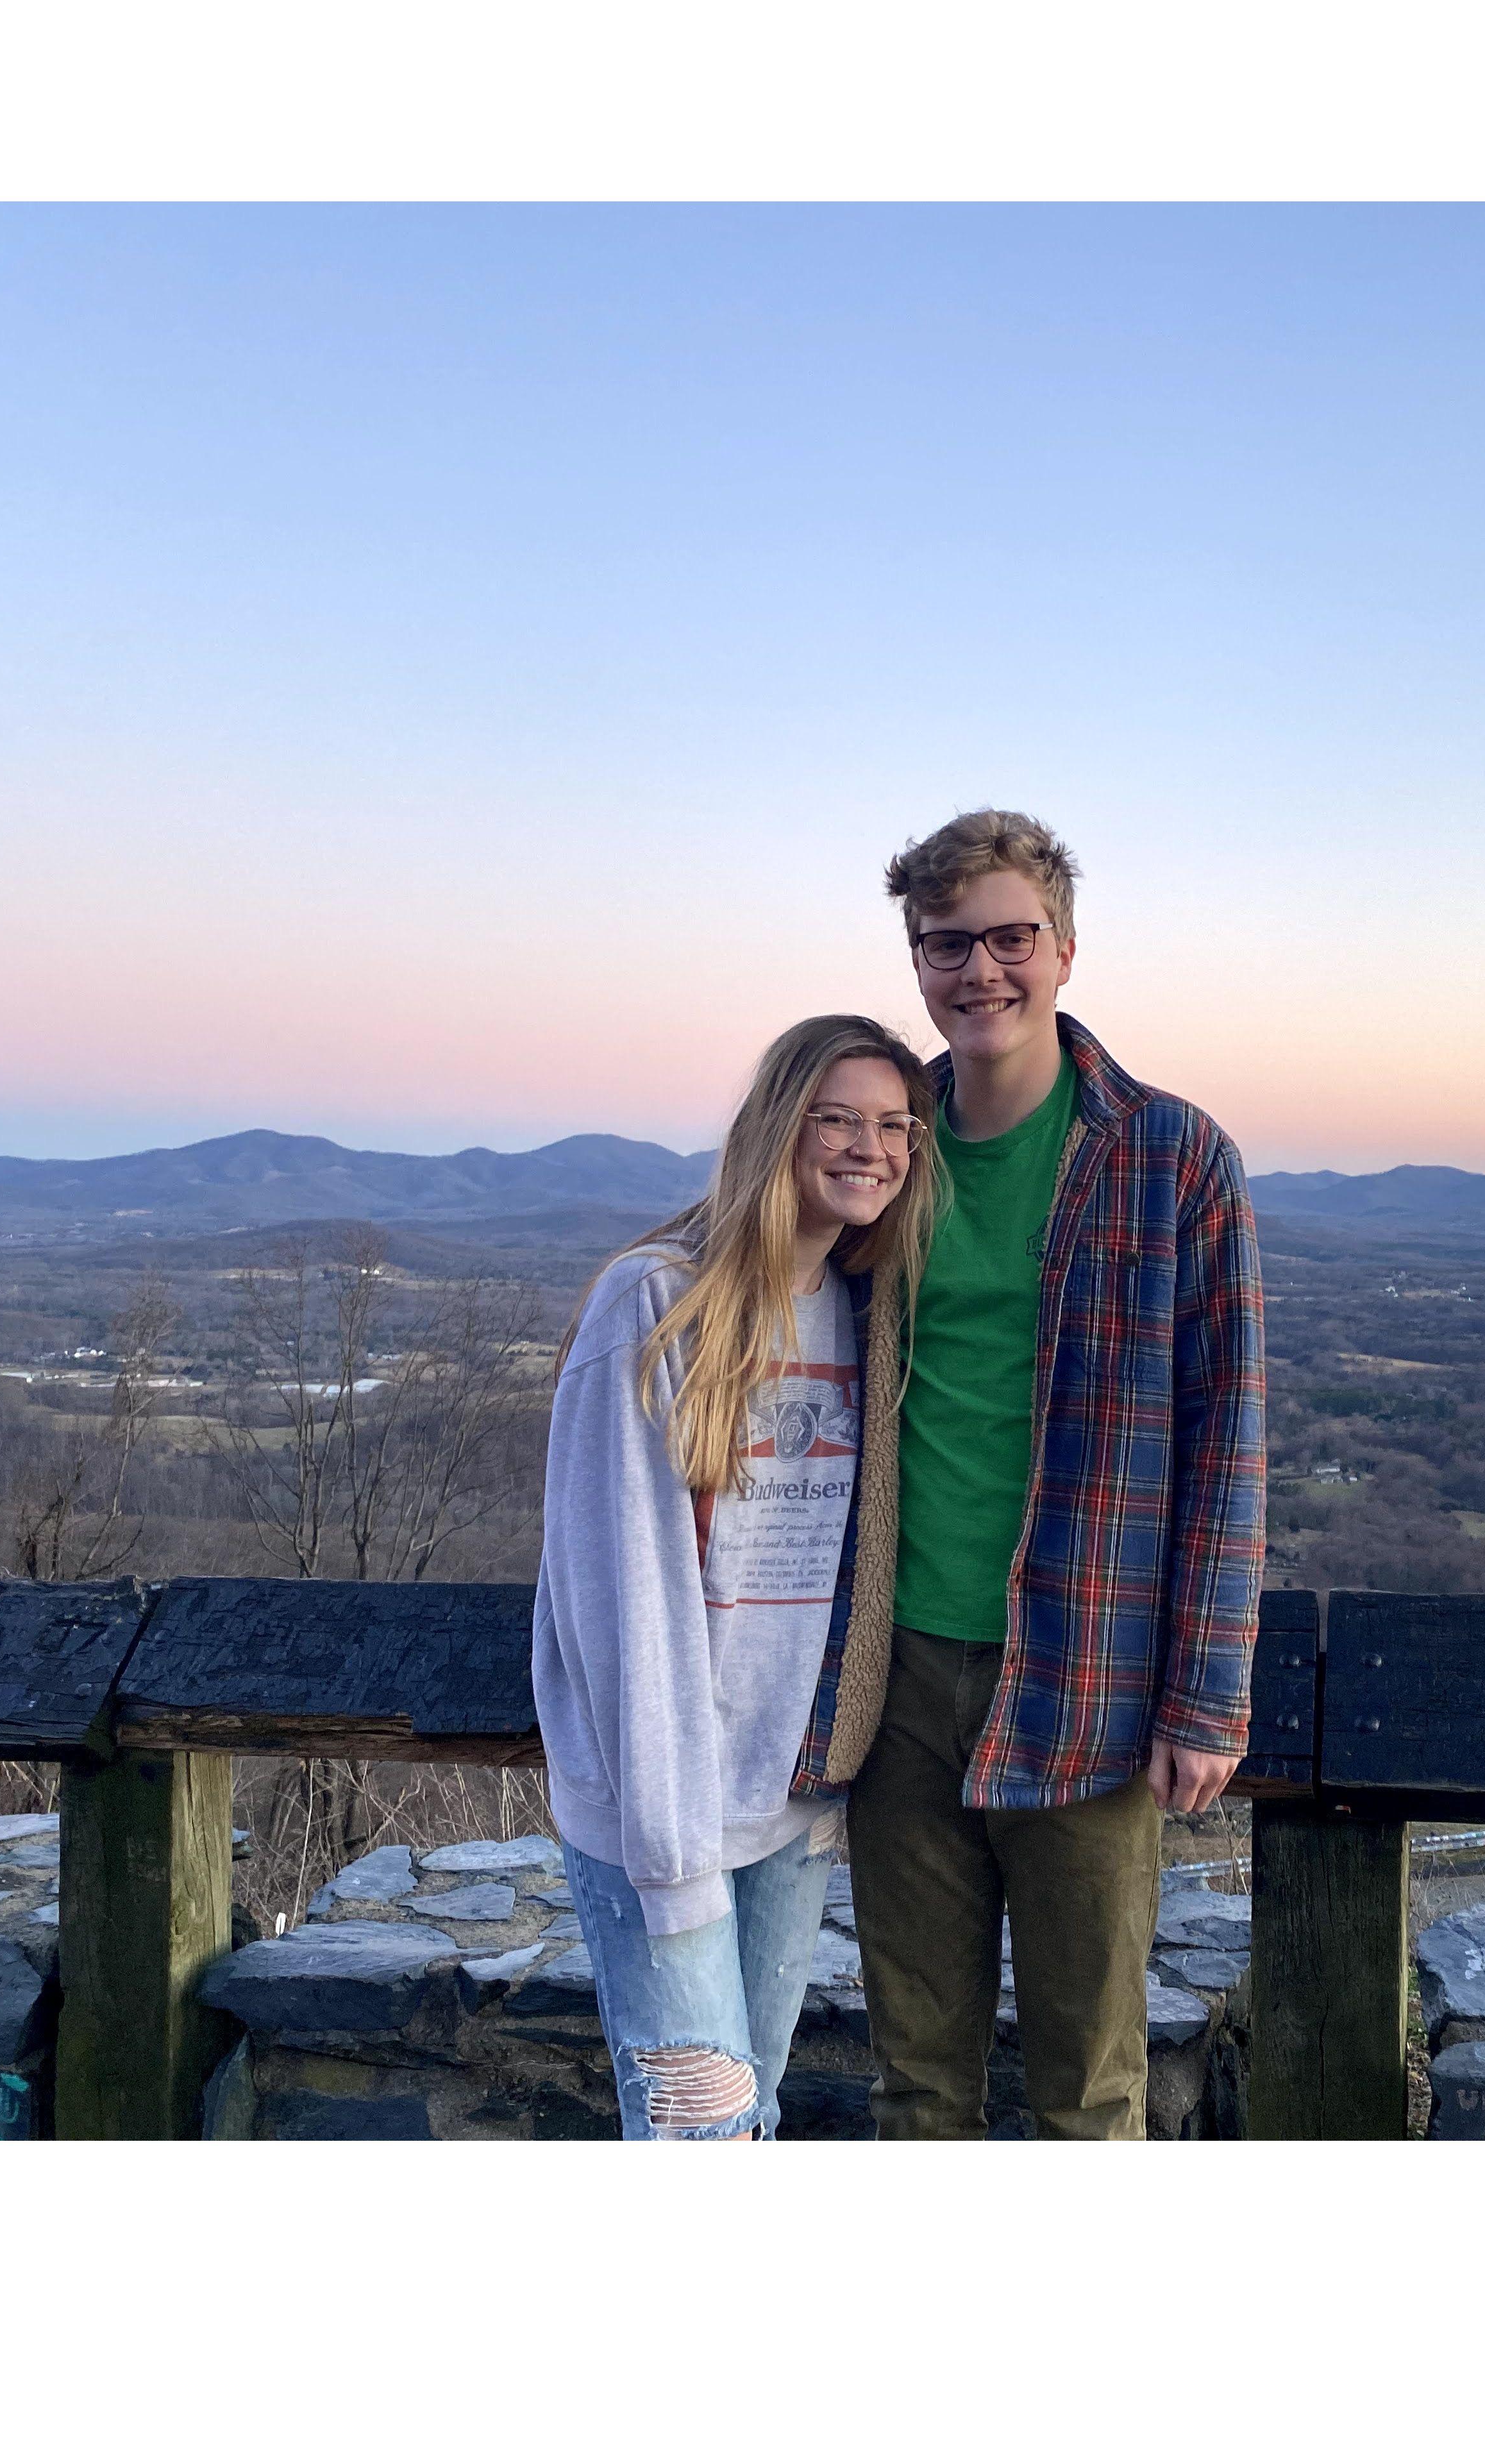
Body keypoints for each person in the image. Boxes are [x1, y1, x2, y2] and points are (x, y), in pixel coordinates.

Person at [843, 809, 1268, 2139]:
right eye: (945, 944)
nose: (980, 971)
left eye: (1009, 937)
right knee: (919, 2083)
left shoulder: (1173, 1160)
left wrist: (1207, 1696)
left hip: (1090, 1676)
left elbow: (1225, 1439)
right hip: (893, 1675)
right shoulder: (878, 1150)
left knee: (1089, 2089)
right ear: (915, 960)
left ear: (1065, 950)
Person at [531, 1014, 941, 2139]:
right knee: (695, 2132)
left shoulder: (868, 1312)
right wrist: (672, 1865)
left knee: (750, 2114)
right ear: (779, 1127)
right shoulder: (658, 1302)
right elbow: (621, 1609)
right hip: (669, 1817)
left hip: (797, 1799)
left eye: (897, 1126)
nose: (873, 1147)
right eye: (840, 1119)